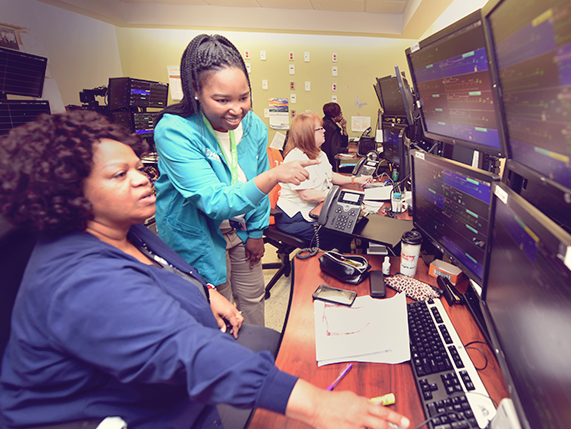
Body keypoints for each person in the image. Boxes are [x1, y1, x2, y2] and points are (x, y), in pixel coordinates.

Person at [0, 111, 410, 429]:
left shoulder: (127, 231)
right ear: (69, 191)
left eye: (139, 168)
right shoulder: (78, 280)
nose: (143, 180)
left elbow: (168, 268)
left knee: (279, 345)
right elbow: (190, 354)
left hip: (171, 372)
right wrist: (319, 404)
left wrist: (208, 293)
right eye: (119, 175)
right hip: (117, 413)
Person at [153, 34, 313, 326]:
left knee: (253, 299)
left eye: (244, 97)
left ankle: (259, 360)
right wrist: (274, 175)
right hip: (198, 234)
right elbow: (214, 202)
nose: (237, 109)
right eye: (222, 100)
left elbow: (257, 187)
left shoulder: (253, 126)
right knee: (221, 310)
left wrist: (255, 233)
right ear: (195, 92)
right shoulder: (175, 131)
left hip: (241, 230)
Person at [275, 112, 371, 250]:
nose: (324, 130)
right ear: (308, 133)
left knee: (351, 224)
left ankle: (347, 261)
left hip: (316, 210)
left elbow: (330, 175)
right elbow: (306, 195)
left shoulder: (319, 153)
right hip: (295, 218)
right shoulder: (295, 158)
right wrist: (337, 196)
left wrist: (355, 179)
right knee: (341, 232)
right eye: (320, 129)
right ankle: (339, 264)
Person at [321, 102, 349, 168]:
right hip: (330, 162)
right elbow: (335, 150)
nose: (341, 114)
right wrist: (349, 151)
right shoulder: (333, 128)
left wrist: (344, 128)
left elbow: (343, 143)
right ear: (335, 114)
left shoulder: (322, 122)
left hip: (322, 160)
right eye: (340, 112)